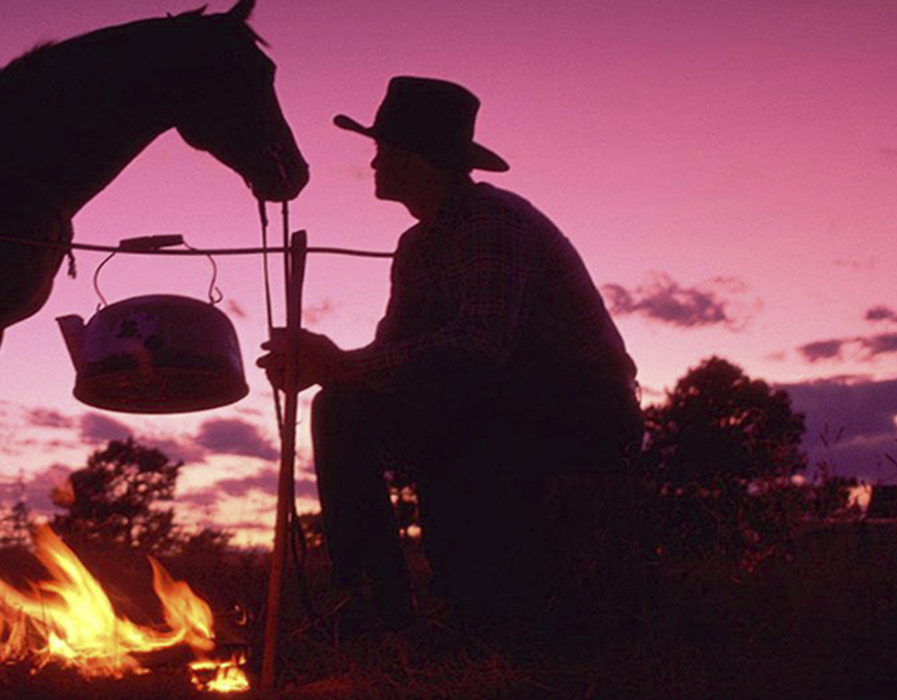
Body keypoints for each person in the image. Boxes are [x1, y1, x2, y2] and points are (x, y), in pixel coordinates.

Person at [257, 77, 645, 638]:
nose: (373, 165)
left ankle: (480, 596)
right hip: (499, 401)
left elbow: (481, 344)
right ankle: (374, 603)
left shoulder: (494, 219)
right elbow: (392, 357)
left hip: (581, 408)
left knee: (446, 388)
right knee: (341, 407)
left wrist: (339, 363)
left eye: (381, 151)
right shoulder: (417, 247)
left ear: (415, 160)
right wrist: (324, 366)